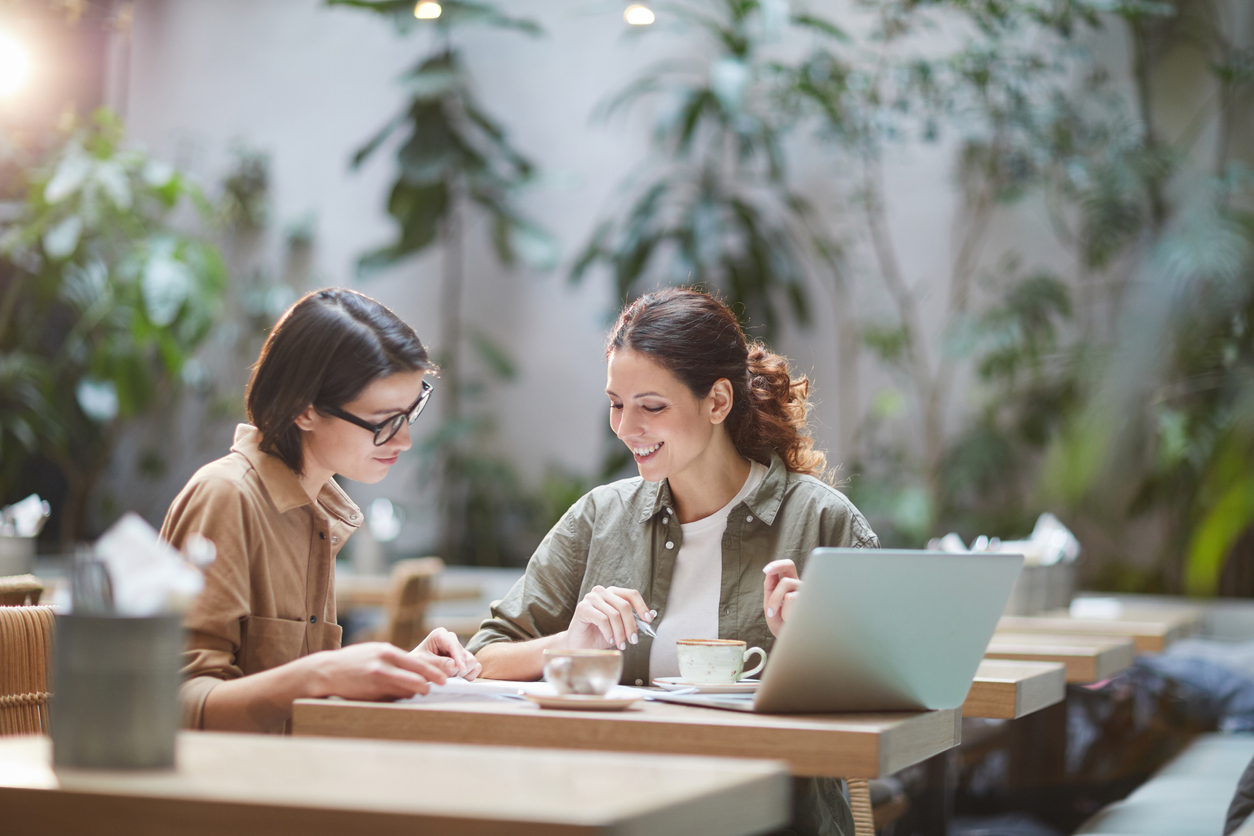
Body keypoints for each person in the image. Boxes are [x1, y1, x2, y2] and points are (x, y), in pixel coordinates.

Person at [467, 287, 879, 836]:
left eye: (652, 407)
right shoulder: (600, 517)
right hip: (609, 813)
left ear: (718, 402)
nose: (625, 428)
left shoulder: (822, 524)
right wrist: (570, 644)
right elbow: (481, 661)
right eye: (616, 403)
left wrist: (815, 650)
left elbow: (885, 710)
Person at [161, 288, 481, 734]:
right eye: (384, 421)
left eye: (411, 412)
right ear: (305, 410)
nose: (404, 440)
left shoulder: (317, 509)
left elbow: (290, 697)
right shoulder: (226, 497)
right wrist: (323, 674)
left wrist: (397, 668)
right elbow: (174, 702)